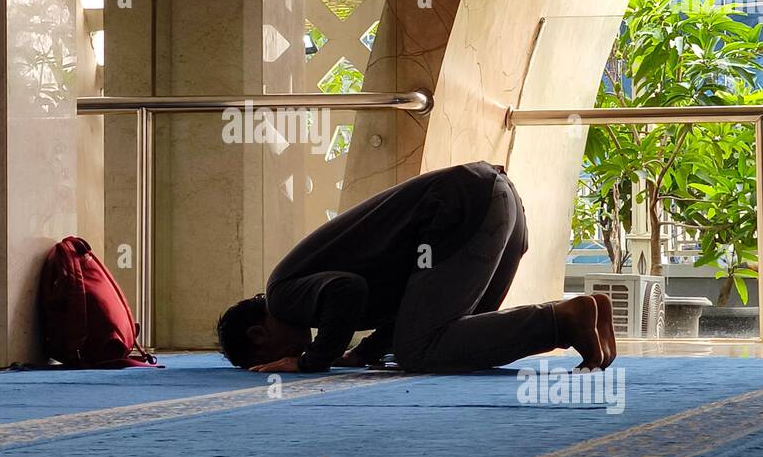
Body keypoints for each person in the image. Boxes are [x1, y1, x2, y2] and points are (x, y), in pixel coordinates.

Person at [216, 161, 615, 375]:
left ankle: (563, 320)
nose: (291, 352)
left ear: (258, 332)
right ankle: (587, 314)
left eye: (275, 354)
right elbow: (408, 305)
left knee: (419, 352)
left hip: (458, 211)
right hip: (490, 198)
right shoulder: (298, 288)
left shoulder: (283, 295)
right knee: (456, 335)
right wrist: (366, 351)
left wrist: (311, 360)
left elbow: (347, 290)